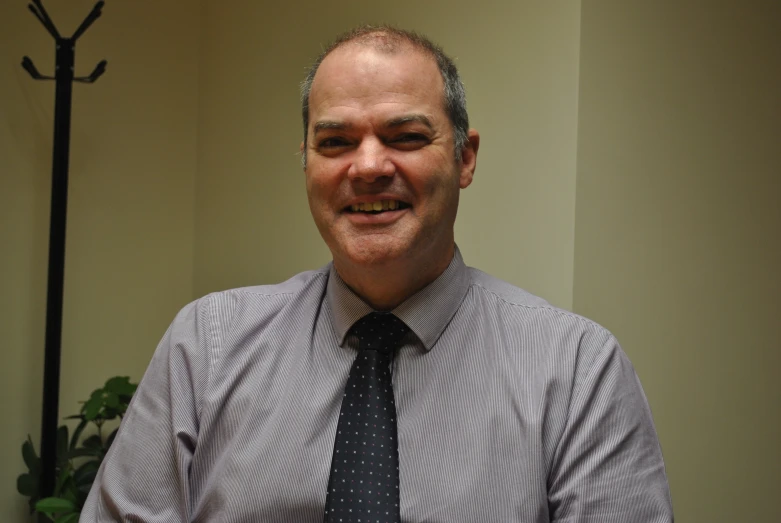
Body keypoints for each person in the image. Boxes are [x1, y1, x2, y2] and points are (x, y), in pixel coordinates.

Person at [81, 25, 673, 522]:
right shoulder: (207, 344)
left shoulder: (576, 370)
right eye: (335, 141)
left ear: (464, 158)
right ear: (306, 162)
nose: (367, 167)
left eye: (406, 137)